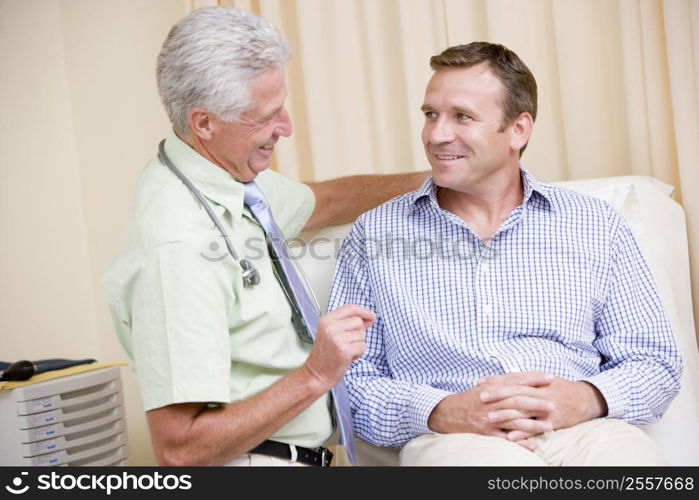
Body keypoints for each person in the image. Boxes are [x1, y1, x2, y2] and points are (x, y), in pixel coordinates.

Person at [327, 42, 683, 465]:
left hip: (589, 433)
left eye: (462, 116)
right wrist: (442, 411)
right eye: (430, 114)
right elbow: (349, 382)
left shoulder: (595, 225)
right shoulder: (374, 235)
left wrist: (585, 399)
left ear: (518, 130)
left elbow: (654, 361)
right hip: (457, 440)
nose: (436, 134)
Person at [102, 6, 426, 467]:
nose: (286, 128)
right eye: (267, 115)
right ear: (204, 122)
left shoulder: (229, 181)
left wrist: (447, 179)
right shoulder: (177, 247)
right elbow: (180, 448)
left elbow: (329, 201)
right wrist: (316, 374)